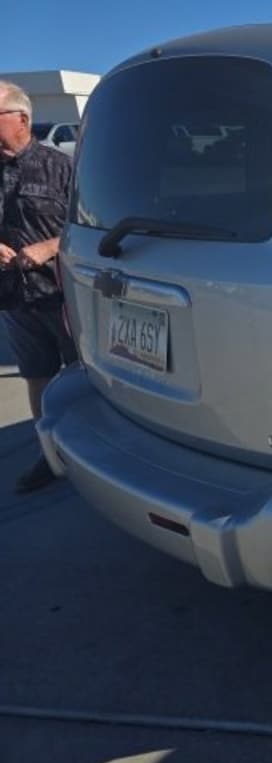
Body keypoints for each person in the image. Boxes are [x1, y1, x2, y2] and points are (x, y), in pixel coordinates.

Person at [0, 80, 76, 493]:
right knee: (37, 376)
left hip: (64, 296)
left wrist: (50, 246)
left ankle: (93, 454)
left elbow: (93, 224)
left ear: (21, 119)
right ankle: (49, 454)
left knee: (83, 376)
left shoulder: (61, 166)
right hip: (14, 299)